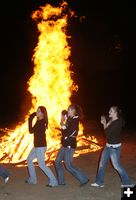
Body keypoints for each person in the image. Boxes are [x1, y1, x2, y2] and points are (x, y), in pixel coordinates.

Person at [91, 106, 134, 188]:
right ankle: (100, 182)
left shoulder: (118, 122)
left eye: (111, 111)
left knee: (117, 166)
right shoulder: (112, 119)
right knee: (101, 164)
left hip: (114, 148)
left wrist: (104, 123)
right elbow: (105, 116)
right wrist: (103, 117)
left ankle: (127, 182)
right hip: (107, 146)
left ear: (115, 113)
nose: (109, 112)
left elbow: (107, 132)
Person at [55, 104, 89, 186]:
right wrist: (63, 122)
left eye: (69, 110)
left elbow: (67, 133)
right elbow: (64, 132)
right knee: (57, 162)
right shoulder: (70, 119)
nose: (68, 111)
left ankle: (84, 179)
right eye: (68, 109)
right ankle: (61, 181)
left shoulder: (75, 121)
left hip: (69, 145)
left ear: (74, 111)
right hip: (65, 144)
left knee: (69, 166)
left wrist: (62, 124)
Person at [26, 106, 58, 187]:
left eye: (39, 111)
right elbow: (32, 131)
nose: (37, 112)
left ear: (43, 114)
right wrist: (33, 116)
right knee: (29, 160)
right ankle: (33, 179)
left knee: (42, 165)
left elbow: (30, 131)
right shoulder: (40, 121)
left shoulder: (41, 122)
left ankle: (54, 181)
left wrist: (30, 118)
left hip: (40, 147)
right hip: (37, 146)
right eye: (37, 110)